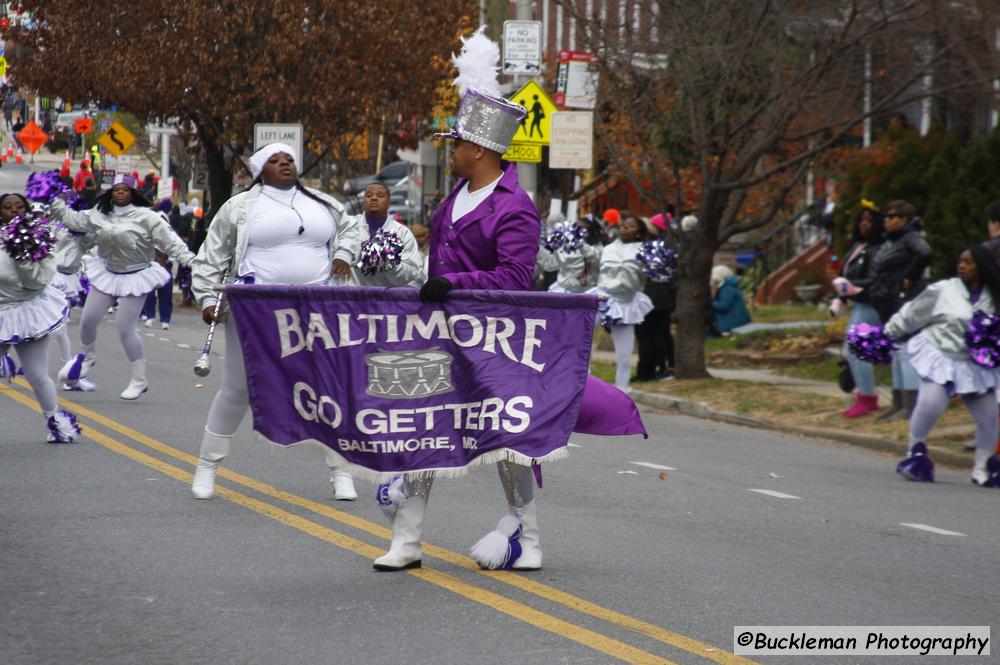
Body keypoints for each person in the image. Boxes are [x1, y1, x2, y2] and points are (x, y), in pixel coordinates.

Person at [373, 31, 542, 572]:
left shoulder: (516, 205)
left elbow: (517, 276)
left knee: (502, 437)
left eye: (457, 143)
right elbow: (436, 266)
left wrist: (457, 284)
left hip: (495, 337)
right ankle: (407, 541)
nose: (451, 149)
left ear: (480, 149)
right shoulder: (453, 198)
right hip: (439, 331)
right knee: (424, 423)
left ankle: (528, 539)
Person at [189, 143, 361, 501]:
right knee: (237, 388)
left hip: (317, 303)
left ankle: (341, 472)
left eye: (288, 160)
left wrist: (343, 255)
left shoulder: (323, 202)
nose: (284, 164)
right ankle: (207, 467)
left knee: (328, 386)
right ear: (259, 171)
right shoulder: (240, 207)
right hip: (256, 305)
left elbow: (352, 230)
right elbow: (212, 254)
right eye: (274, 160)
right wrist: (207, 299)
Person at [50, 174, 195, 399]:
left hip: (137, 275)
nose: (120, 192)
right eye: (116, 189)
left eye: (125, 189)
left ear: (133, 193)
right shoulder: (98, 214)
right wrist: (53, 198)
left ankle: (139, 379)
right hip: (108, 272)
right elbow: (72, 219)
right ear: (110, 193)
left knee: (124, 327)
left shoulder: (148, 217)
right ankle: (88, 358)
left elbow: (171, 242)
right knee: (88, 320)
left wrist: (192, 262)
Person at [888, 246, 1000, 487]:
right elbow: (911, 314)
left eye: (969, 262)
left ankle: (983, 468)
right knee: (930, 404)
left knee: (990, 416)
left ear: (982, 266)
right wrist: (887, 335)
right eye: (960, 261)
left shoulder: (995, 294)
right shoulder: (943, 290)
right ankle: (915, 454)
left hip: (975, 364)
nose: (962, 266)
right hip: (940, 355)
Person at [0, 193, 81, 443]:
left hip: (28, 311)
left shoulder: (40, 239)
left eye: (19, 206)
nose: (14, 211)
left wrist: (24, 256)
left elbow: (39, 281)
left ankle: (56, 422)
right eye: (7, 207)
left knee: (36, 375)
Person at [867, 200, 933, 421]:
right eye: (885, 216)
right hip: (888, 303)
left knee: (906, 351)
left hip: (903, 302)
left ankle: (910, 404)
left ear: (904, 219)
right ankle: (898, 402)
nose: (886, 220)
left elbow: (925, 254)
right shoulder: (891, 241)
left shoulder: (910, 237)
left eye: (892, 216)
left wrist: (911, 278)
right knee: (895, 350)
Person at [832, 206, 886, 417]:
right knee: (851, 351)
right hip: (858, 304)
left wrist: (850, 285)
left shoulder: (877, 249)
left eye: (869, 220)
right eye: (861, 220)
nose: (864, 224)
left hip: (871, 305)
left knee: (857, 350)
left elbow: (874, 280)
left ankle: (867, 397)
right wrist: (840, 298)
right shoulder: (857, 246)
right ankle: (862, 393)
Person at [596, 216, 653, 392]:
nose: (625, 229)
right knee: (577, 334)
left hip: (625, 304)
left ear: (639, 232)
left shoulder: (645, 250)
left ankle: (622, 390)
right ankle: (580, 382)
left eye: (630, 226)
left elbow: (650, 276)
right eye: (623, 226)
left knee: (625, 356)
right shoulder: (608, 249)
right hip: (602, 299)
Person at [709, 265, 750, 334]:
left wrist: (708, 303)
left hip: (735, 322)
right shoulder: (727, 287)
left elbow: (723, 306)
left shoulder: (728, 289)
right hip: (734, 320)